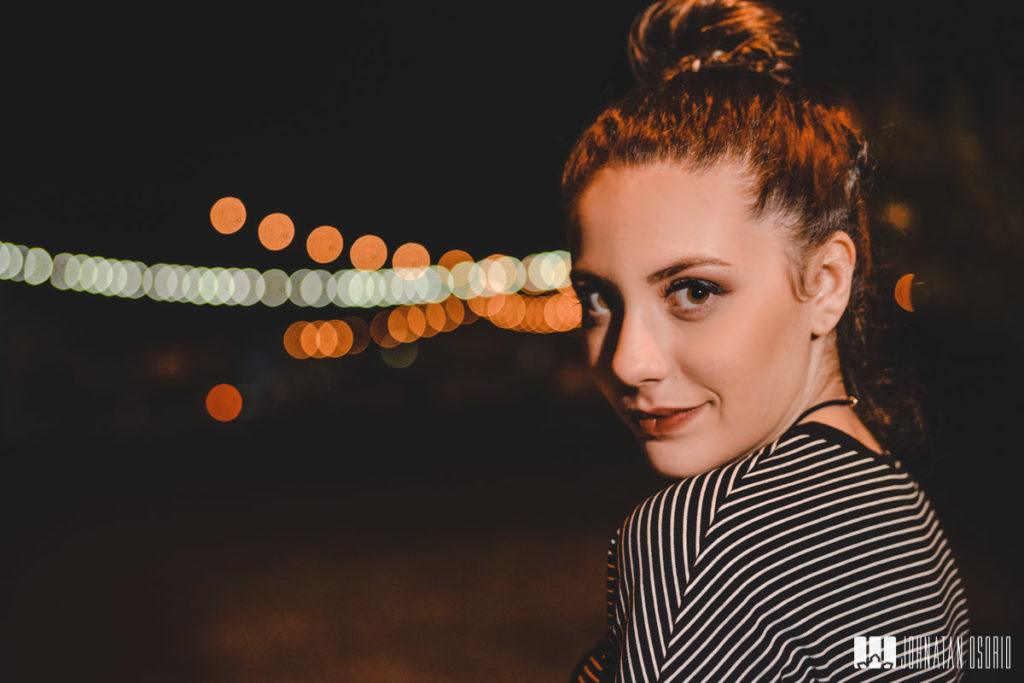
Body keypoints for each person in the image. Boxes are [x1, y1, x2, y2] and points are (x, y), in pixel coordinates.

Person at [563, 1, 970, 680]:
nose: (629, 362)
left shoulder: (703, 539)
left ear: (826, 281)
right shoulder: (900, 509)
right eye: (600, 299)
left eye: (694, 291)